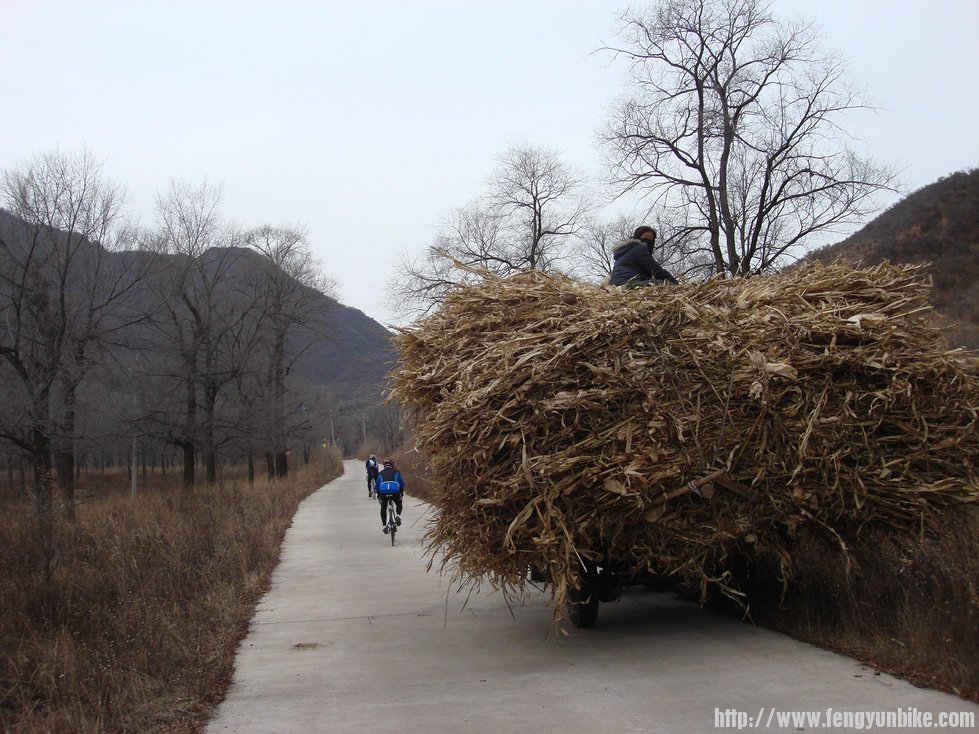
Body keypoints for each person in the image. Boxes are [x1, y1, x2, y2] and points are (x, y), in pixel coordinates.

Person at [609, 226, 679, 287]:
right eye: (645, 239)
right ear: (637, 238)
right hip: (629, 284)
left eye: (650, 240)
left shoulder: (626, 251)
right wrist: (675, 283)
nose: (647, 242)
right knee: (662, 284)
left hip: (615, 287)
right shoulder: (639, 249)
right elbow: (656, 270)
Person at [376, 458, 404, 533]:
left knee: (383, 507)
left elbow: (377, 486)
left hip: (383, 493)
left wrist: (378, 495)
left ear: (384, 465)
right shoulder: (396, 472)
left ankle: (385, 525)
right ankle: (398, 516)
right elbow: (401, 484)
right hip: (395, 492)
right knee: (399, 504)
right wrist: (401, 493)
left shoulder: (380, 473)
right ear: (392, 465)